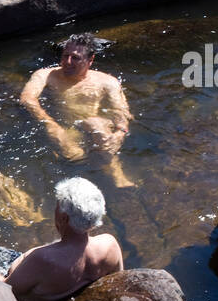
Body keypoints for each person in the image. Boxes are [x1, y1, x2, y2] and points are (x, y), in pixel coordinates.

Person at [0, 177, 123, 301]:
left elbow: (4, 290)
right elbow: (117, 281)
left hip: (14, 287)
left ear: (64, 218)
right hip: (46, 280)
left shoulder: (44, 259)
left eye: (57, 206)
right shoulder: (109, 245)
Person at [21, 33, 134, 187]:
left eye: (75, 58)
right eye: (65, 55)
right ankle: (105, 169)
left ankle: (116, 175)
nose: (67, 62)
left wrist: (120, 133)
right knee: (75, 156)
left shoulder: (107, 81)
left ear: (90, 60)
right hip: (65, 128)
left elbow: (121, 110)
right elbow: (27, 98)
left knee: (95, 125)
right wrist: (51, 125)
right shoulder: (46, 75)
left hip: (97, 127)